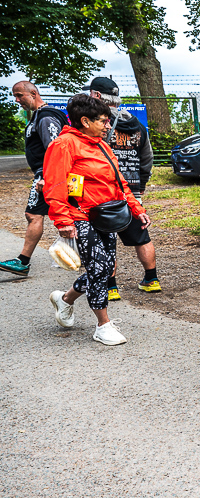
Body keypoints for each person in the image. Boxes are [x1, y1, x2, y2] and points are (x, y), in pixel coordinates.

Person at [43, 94, 150, 345]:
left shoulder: (101, 145)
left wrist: (136, 208)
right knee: (100, 268)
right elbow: (55, 185)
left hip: (106, 216)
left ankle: (65, 299)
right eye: (102, 121)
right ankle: (103, 325)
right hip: (79, 216)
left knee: (103, 268)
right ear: (85, 121)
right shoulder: (64, 145)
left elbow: (119, 182)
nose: (107, 125)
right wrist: (63, 220)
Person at [84, 77, 161, 299]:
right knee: (142, 236)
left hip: (105, 191)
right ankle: (152, 279)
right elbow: (147, 158)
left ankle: (111, 287)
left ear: (96, 95)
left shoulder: (98, 124)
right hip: (132, 192)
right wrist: (141, 184)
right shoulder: (136, 124)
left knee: (106, 239)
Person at [0, 81, 67, 277]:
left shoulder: (46, 117)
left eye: (19, 95)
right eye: (15, 96)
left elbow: (55, 149)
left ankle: (23, 261)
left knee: (34, 215)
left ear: (33, 93)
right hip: (45, 173)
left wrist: (46, 177)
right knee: (49, 215)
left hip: (47, 174)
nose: (17, 100)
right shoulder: (38, 116)